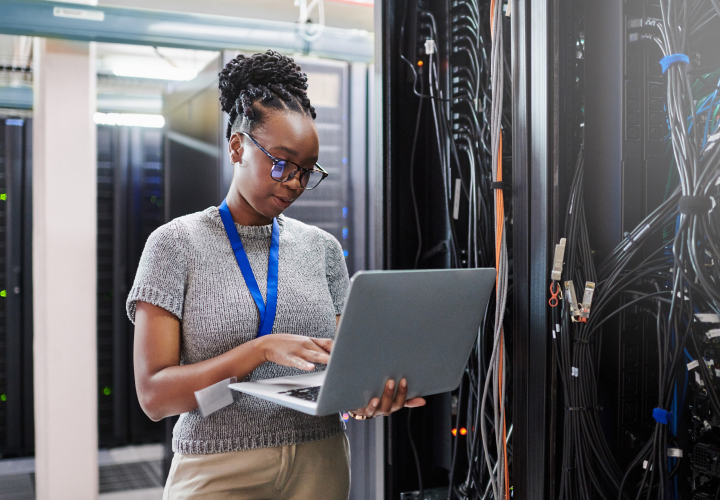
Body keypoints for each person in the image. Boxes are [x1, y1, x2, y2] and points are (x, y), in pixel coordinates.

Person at [128, 50, 425, 500]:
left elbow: (344, 368)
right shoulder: (175, 244)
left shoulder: (322, 249)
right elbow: (154, 396)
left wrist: (368, 395)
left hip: (320, 460)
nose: (293, 183)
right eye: (281, 162)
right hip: (217, 467)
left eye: (307, 172)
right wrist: (260, 349)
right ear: (237, 146)